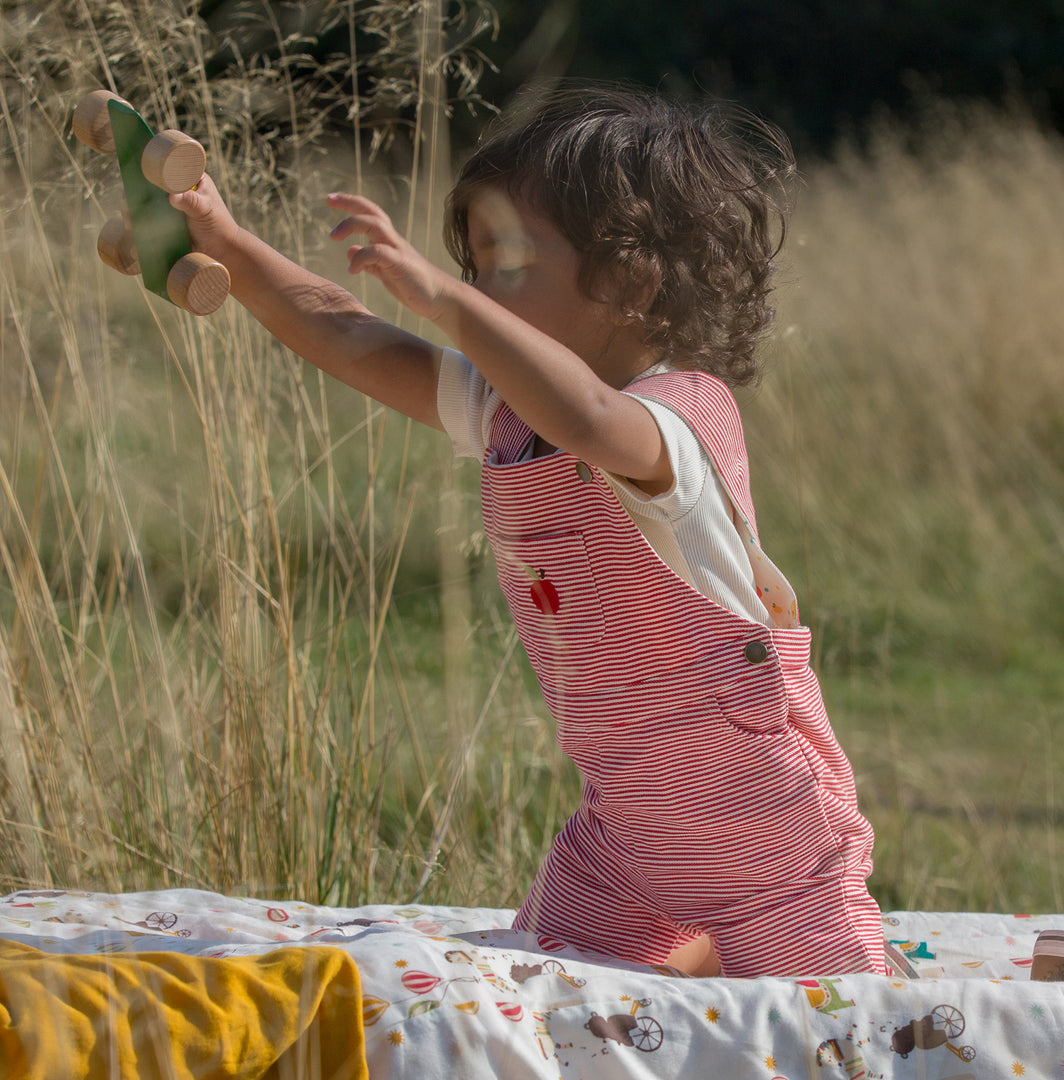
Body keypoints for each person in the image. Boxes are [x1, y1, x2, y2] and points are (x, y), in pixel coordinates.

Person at [170, 84, 887, 978]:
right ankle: (695, 966)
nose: (472, 289)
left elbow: (591, 420)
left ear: (629, 278)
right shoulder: (513, 414)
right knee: (538, 1009)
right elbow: (355, 338)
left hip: (768, 845)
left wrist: (442, 300)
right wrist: (232, 248)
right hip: (626, 836)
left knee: (850, 1040)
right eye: (466, 269)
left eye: (501, 262)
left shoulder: (676, 422)